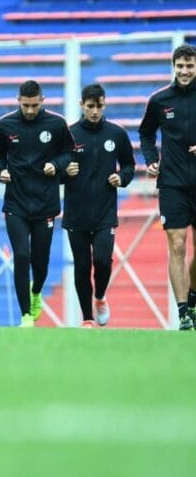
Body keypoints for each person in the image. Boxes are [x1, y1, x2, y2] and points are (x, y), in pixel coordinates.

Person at [0, 79, 75, 328]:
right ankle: (26, 315)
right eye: (25, 105)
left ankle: (36, 290)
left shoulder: (56, 124)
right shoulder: (6, 124)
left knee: (41, 262)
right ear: (18, 101)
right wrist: (0, 171)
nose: (30, 110)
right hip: (15, 203)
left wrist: (56, 165)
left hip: (45, 203)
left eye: (34, 105)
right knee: (21, 255)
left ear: (42, 101)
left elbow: (69, 152)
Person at [63, 83, 135, 327]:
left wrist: (121, 178)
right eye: (90, 106)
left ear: (105, 105)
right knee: (82, 266)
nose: (95, 111)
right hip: (76, 213)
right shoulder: (69, 134)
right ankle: (87, 318)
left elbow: (129, 165)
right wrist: (65, 171)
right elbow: (55, 168)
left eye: (99, 106)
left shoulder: (116, 134)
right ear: (81, 105)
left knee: (103, 261)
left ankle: (100, 296)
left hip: (105, 212)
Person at [139, 43, 196, 330]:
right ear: (173, 67)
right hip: (172, 182)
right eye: (180, 66)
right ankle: (183, 312)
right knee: (177, 243)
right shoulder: (160, 100)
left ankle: (193, 297)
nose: (184, 71)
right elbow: (146, 133)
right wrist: (151, 160)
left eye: (190, 66)